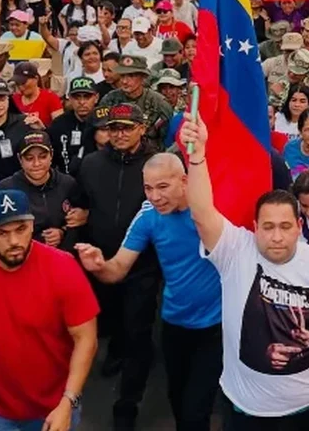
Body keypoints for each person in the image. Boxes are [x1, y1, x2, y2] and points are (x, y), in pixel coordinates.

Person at [179, 114, 309, 431]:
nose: (276, 236)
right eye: (267, 227)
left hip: (306, 411)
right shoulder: (236, 250)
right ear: (254, 228)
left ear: (299, 227)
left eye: (284, 227)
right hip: (243, 410)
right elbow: (202, 213)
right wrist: (197, 158)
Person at [76, 153, 221, 431]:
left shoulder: (209, 211)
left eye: (162, 187)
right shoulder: (148, 216)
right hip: (174, 324)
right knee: (178, 402)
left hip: (216, 327)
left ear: (184, 181)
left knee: (195, 413)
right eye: (148, 188)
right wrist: (98, 266)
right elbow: (117, 268)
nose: (155, 196)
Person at [0, 189, 98, 430]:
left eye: (21, 229)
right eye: (2, 233)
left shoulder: (62, 267)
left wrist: (68, 401)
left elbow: (86, 338)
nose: (14, 242)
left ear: (32, 225)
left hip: (53, 406)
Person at [77, 104, 159, 429]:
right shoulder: (90, 164)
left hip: (143, 264)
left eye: (126, 127)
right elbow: (81, 204)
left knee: (139, 328)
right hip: (102, 262)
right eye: (113, 128)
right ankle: (117, 351)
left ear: (142, 128)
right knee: (110, 320)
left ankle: (128, 402)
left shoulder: (155, 166)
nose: (119, 134)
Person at [0, 131, 85, 253]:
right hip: (24, 259)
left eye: (43, 157)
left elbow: (81, 221)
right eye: (29, 158)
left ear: (51, 155)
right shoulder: (5, 190)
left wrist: (63, 231)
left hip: (63, 259)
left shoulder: (68, 184)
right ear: (20, 159)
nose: (36, 164)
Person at [99, 55, 175, 150]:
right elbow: (102, 133)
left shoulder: (159, 104)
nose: (124, 81)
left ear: (143, 77)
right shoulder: (109, 100)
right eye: (122, 76)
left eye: (131, 76)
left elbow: (165, 139)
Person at [0, 77, 39, 181]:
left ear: (9, 100)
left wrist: (42, 131)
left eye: (2, 99)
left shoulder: (25, 123)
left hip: (20, 183)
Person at [47, 76, 98, 176]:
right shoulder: (58, 125)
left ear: (96, 98)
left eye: (87, 97)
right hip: (67, 181)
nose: (82, 102)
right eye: (77, 97)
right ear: (69, 98)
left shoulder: (104, 123)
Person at [12, 61, 63, 126]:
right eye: (17, 83)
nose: (20, 87)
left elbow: (60, 127)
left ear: (36, 79)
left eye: (23, 82)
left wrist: (43, 129)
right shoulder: (14, 99)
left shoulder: (51, 98)